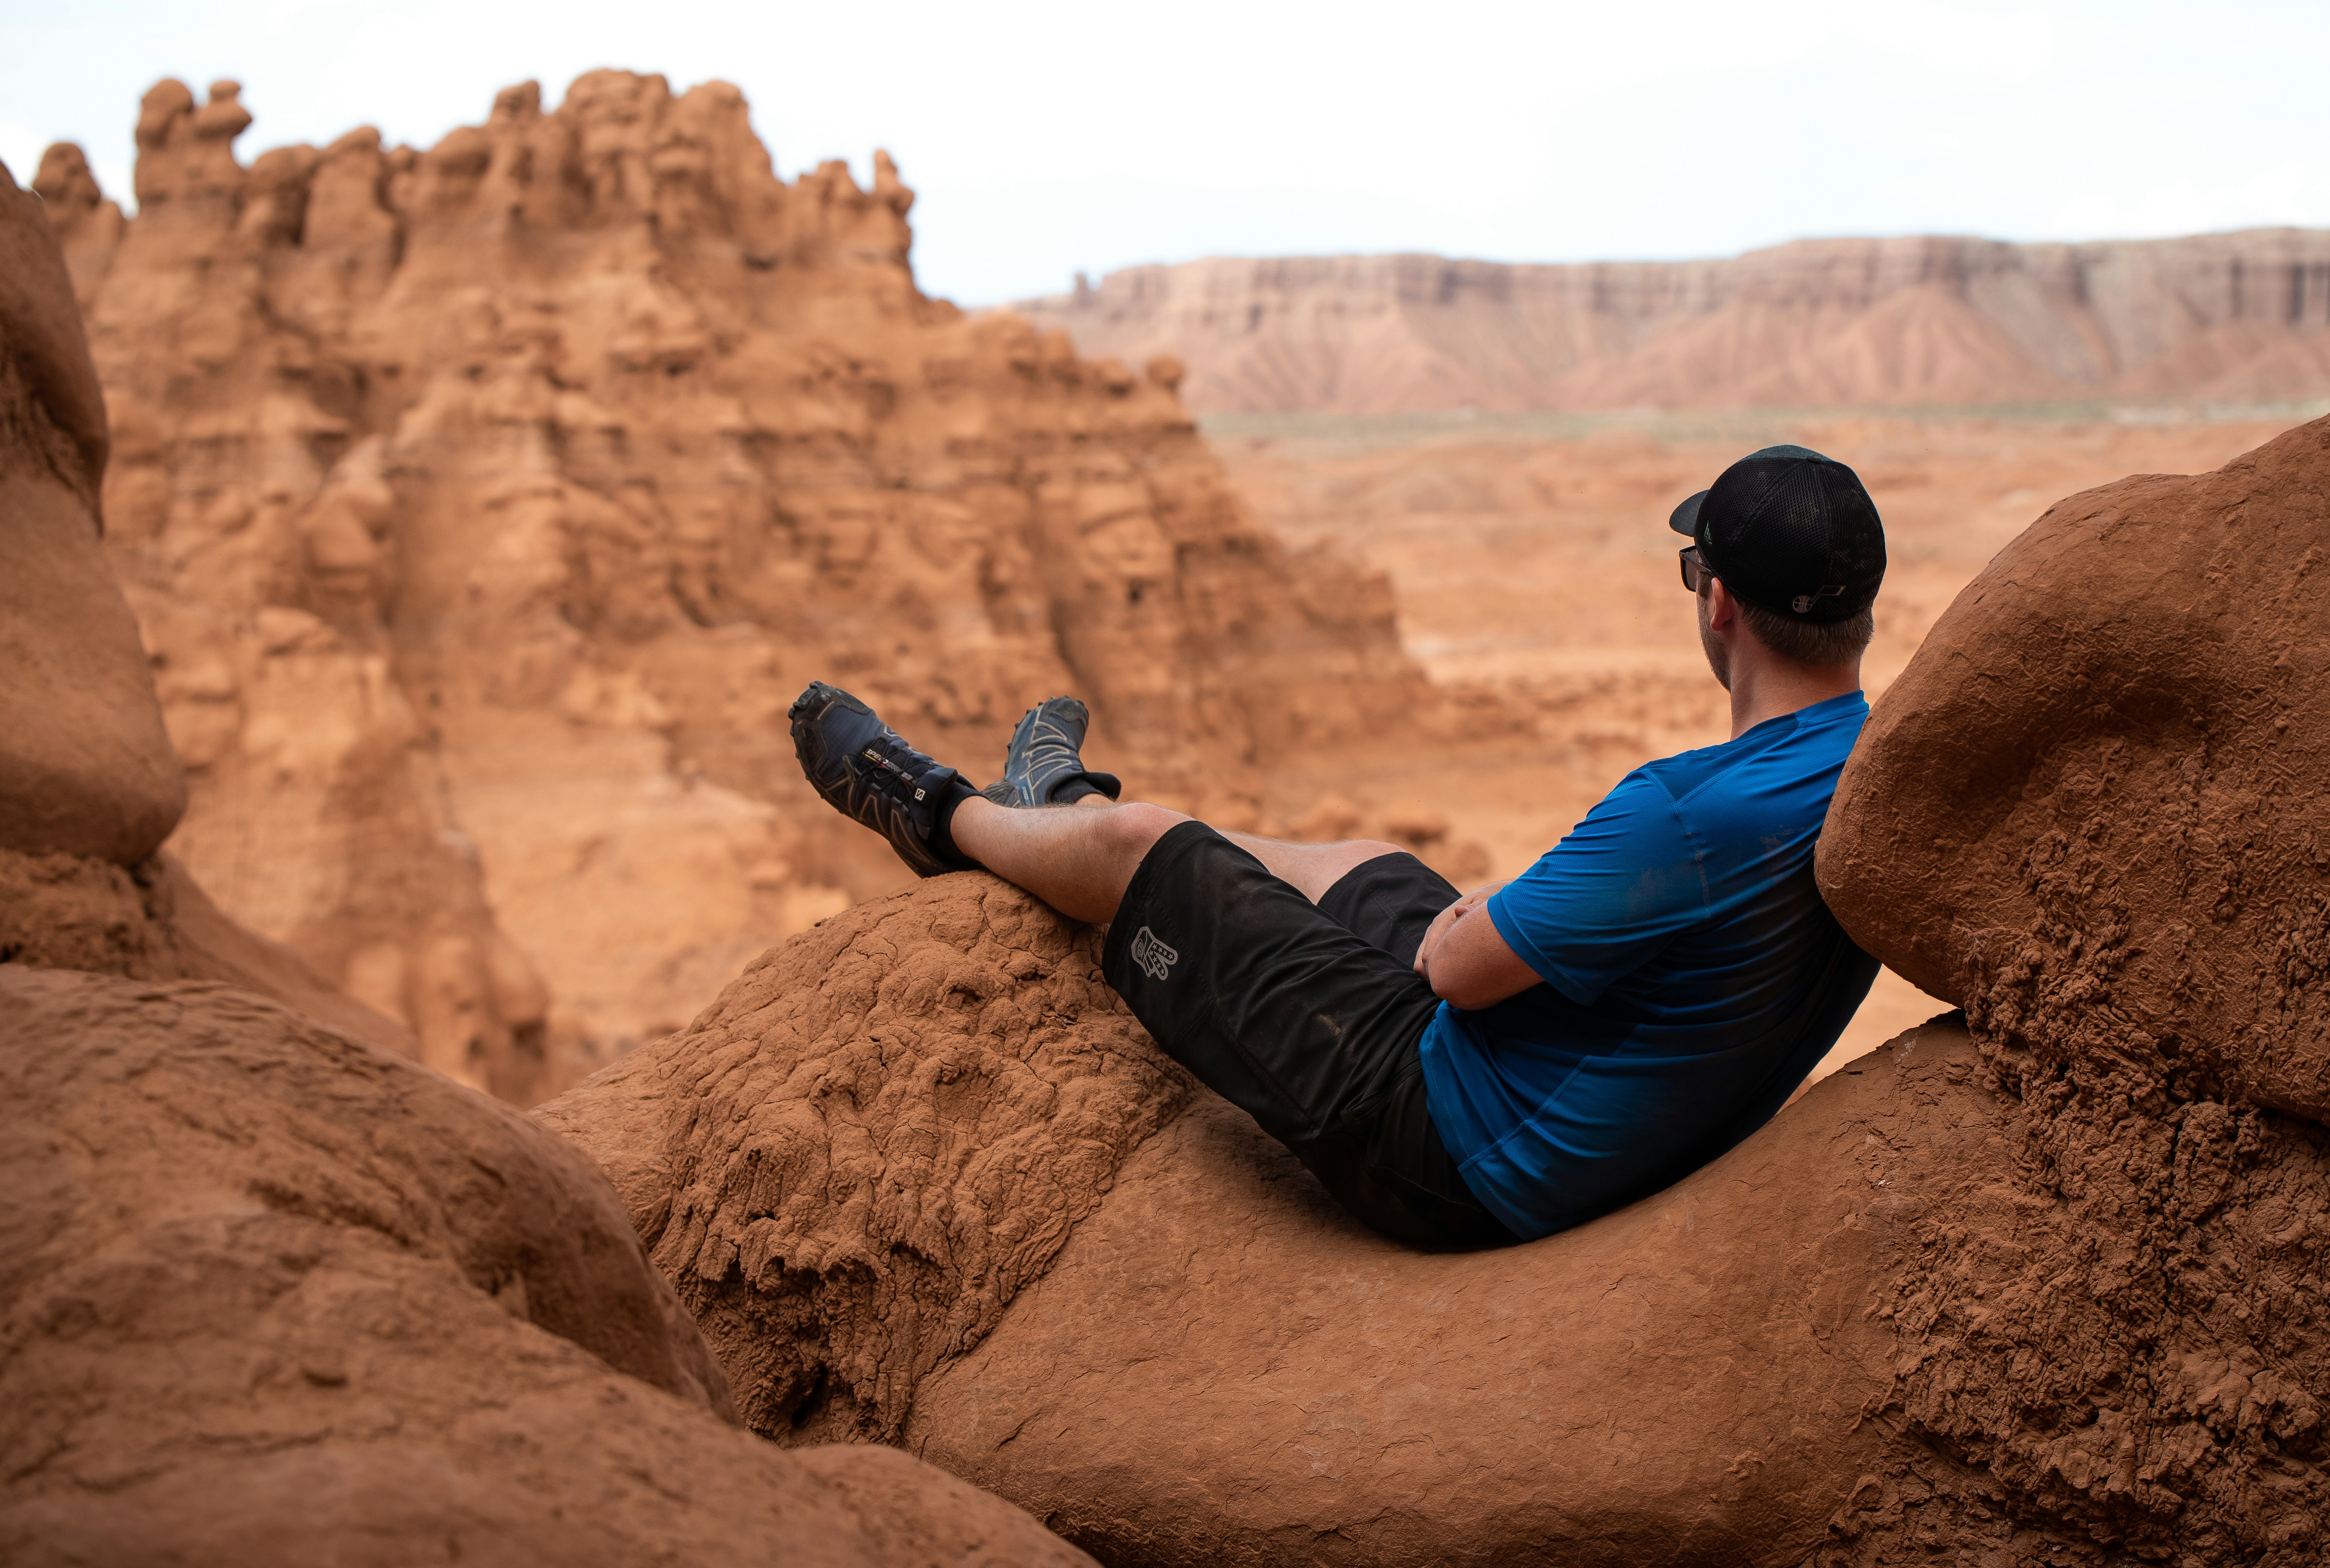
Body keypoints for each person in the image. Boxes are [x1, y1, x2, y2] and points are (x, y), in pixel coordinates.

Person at [787, 444, 1886, 1250]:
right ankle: (1054, 800)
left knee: (1144, 844)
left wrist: (1480, 915)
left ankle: (938, 815)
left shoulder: (1689, 812)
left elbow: (1455, 968)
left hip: (1452, 1147)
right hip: (1574, 1090)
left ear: (1719, 603)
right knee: (1362, 862)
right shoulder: (1873, 762)